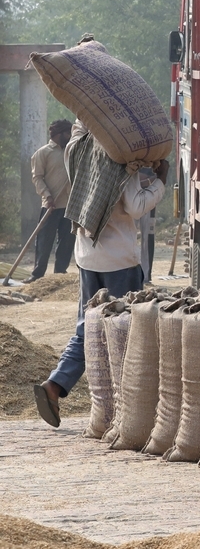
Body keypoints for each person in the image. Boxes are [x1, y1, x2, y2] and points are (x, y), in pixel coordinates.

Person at [34, 120, 168, 428]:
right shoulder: (121, 161)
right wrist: (160, 180)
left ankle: (55, 384)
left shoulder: (75, 152)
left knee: (87, 327)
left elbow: (80, 130)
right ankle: (125, 408)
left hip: (87, 255)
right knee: (124, 334)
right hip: (119, 260)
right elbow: (136, 206)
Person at [26, 119, 74, 283]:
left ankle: (60, 274)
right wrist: (47, 196)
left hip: (69, 205)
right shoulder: (43, 153)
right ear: (59, 134)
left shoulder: (71, 152)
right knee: (44, 241)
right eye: (67, 133)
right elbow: (37, 178)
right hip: (50, 205)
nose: (70, 136)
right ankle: (38, 275)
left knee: (67, 241)